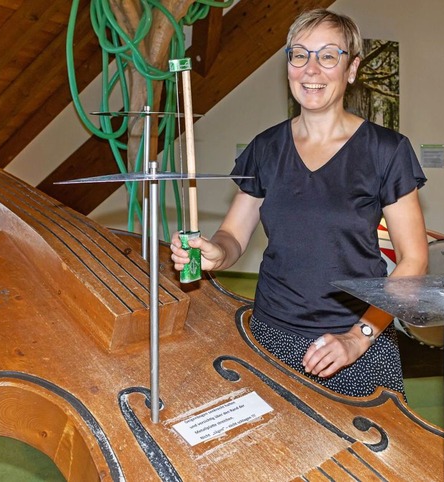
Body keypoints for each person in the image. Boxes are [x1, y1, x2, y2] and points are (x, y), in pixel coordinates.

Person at [170, 8, 428, 399]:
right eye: (299, 54)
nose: (311, 69)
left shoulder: (386, 151)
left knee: (365, 457)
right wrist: (215, 254)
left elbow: (414, 262)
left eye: (328, 55)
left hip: (359, 338)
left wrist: (356, 340)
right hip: (272, 332)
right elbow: (232, 236)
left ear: (352, 69)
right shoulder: (266, 147)